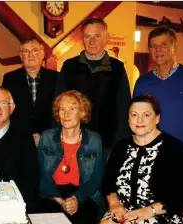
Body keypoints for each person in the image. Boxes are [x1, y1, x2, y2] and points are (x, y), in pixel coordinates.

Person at [98, 94, 183, 224]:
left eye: (146, 115)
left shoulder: (174, 148)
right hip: (125, 210)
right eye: (134, 115)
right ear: (128, 119)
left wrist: (148, 210)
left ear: (157, 118)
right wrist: (114, 203)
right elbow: (108, 182)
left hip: (162, 214)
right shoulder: (121, 146)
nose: (139, 120)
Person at [54, 17, 131, 161]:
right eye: (87, 36)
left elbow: (124, 106)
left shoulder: (117, 68)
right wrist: (58, 137)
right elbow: (58, 105)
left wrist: (121, 142)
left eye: (97, 36)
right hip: (74, 139)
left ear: (106, 38)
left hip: (107, 142)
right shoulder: (69, 66)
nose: (92, 41)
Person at [133, 27, 183, 156]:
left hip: (182, 148)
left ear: (174, 47)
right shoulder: (142, 82)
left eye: (163, 44)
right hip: (149, 148)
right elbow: (134, 115)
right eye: (153, 46)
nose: (158, 50)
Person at [38, 90, 104, 224]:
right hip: (52, 194)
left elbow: (96, 179)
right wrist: (60, 200)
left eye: (72, 109)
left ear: (82, 112)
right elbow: (40, 176)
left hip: (83, 194)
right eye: (62, 109)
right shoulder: (46, 137)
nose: (66, 114)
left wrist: (76, 199)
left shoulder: (95, 140)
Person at [2, 37, 58, 147]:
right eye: (26, 51)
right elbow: (7, 111)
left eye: (35, 50)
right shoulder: (9, 79)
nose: (30, 55)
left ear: (42, 54)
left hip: (51, 141)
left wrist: (44, 135)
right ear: (21, 56)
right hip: (19, 141)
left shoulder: (57, 78)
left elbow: (60, 111)